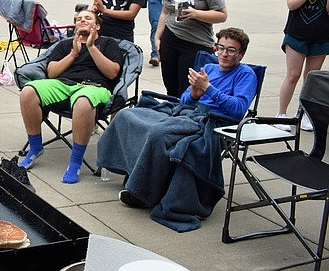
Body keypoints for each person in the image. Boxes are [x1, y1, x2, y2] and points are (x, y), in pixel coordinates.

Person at [98, 28, 256, 231]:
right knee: (127, 116)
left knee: (158, 134)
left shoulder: (245, 75)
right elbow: (184, 100)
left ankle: (141, 192)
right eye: (221, 48)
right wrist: (194, 94)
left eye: (232, 50)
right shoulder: (210, 67)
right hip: (185, 111)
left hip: (212, 121)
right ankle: (133, 173)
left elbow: (238, 110)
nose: (224, 54)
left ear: (241, 54)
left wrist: (208, 89)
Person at [17, 8, 122, 184]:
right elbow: (51, 72)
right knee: (28, 92)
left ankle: (75, 162)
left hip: (94, 87)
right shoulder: (65, 45)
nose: (82, 20)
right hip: (64, 85)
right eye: (79, 18)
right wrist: (73, 53)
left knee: (83, 102)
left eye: (88, 18)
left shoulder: (107, 44)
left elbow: (112, 73)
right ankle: (35, 147)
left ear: (97, 25)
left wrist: (91, 47)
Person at [155, 0, 227, 97]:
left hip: (195, 44)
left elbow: (222, 15)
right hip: (170, 38)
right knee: (171, 89)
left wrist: (196, 14)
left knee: (187, 92)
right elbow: (165, 11)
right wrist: (157, 37)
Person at [276, 0, 329, 132]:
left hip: (321, 37)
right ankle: (281, 115)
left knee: (311, 79)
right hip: (297, 35)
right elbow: (292, 5)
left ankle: (306, 115)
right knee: (293, 75)